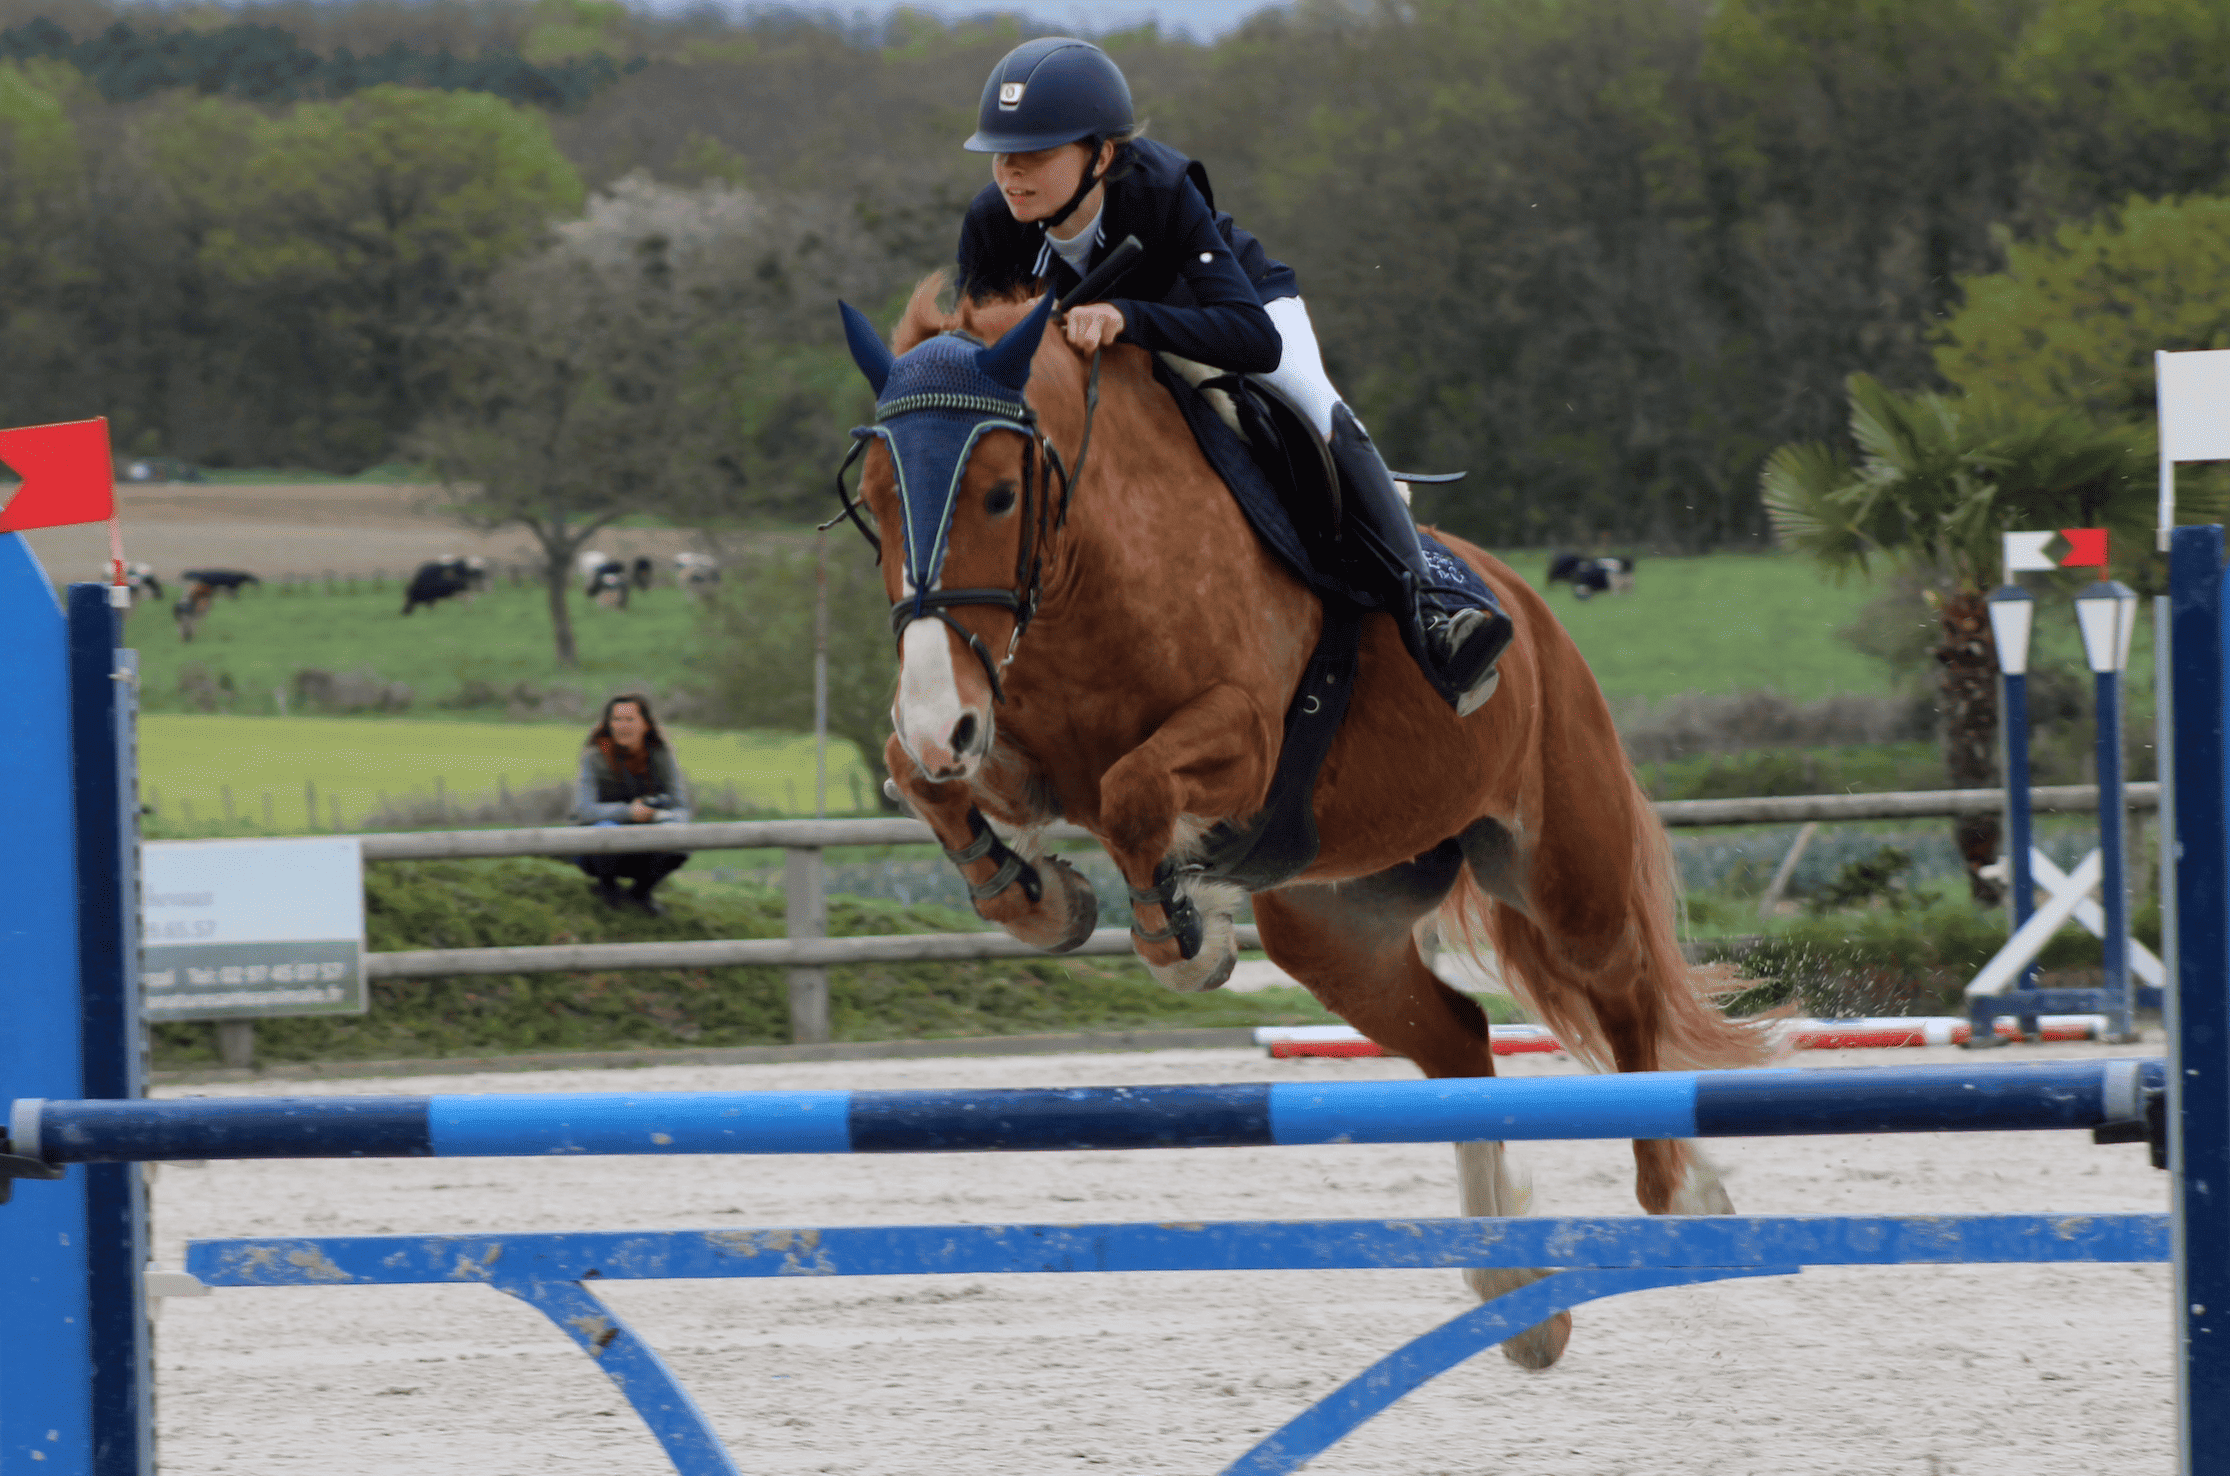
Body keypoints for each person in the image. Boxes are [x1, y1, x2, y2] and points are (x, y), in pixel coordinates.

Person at [956, 37, 1513, 715]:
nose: (1010, 172)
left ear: (1101, 155)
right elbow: (985, 358)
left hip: (1232, 315)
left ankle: (1429, 604)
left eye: (1035, 154)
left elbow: (1251, 337)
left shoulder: (1161, 191)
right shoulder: (991, 223)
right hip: (1103, 350)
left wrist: (1130, 317)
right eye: (1000, 154)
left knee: (1310, 400)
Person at [574, 694, 691, 914]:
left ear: (646, 724)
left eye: (629, 720)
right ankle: (608, 890)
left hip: (648, 840)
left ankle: (640, 893)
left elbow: (681, 806)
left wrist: (662, 819)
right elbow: (583, 811)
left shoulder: (661, 756)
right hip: (598, 844)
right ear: (608, 723)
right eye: (616, 720)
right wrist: (629, 812)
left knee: (681, 842)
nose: (622, 726)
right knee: (605, 831)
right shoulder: (594, 757)